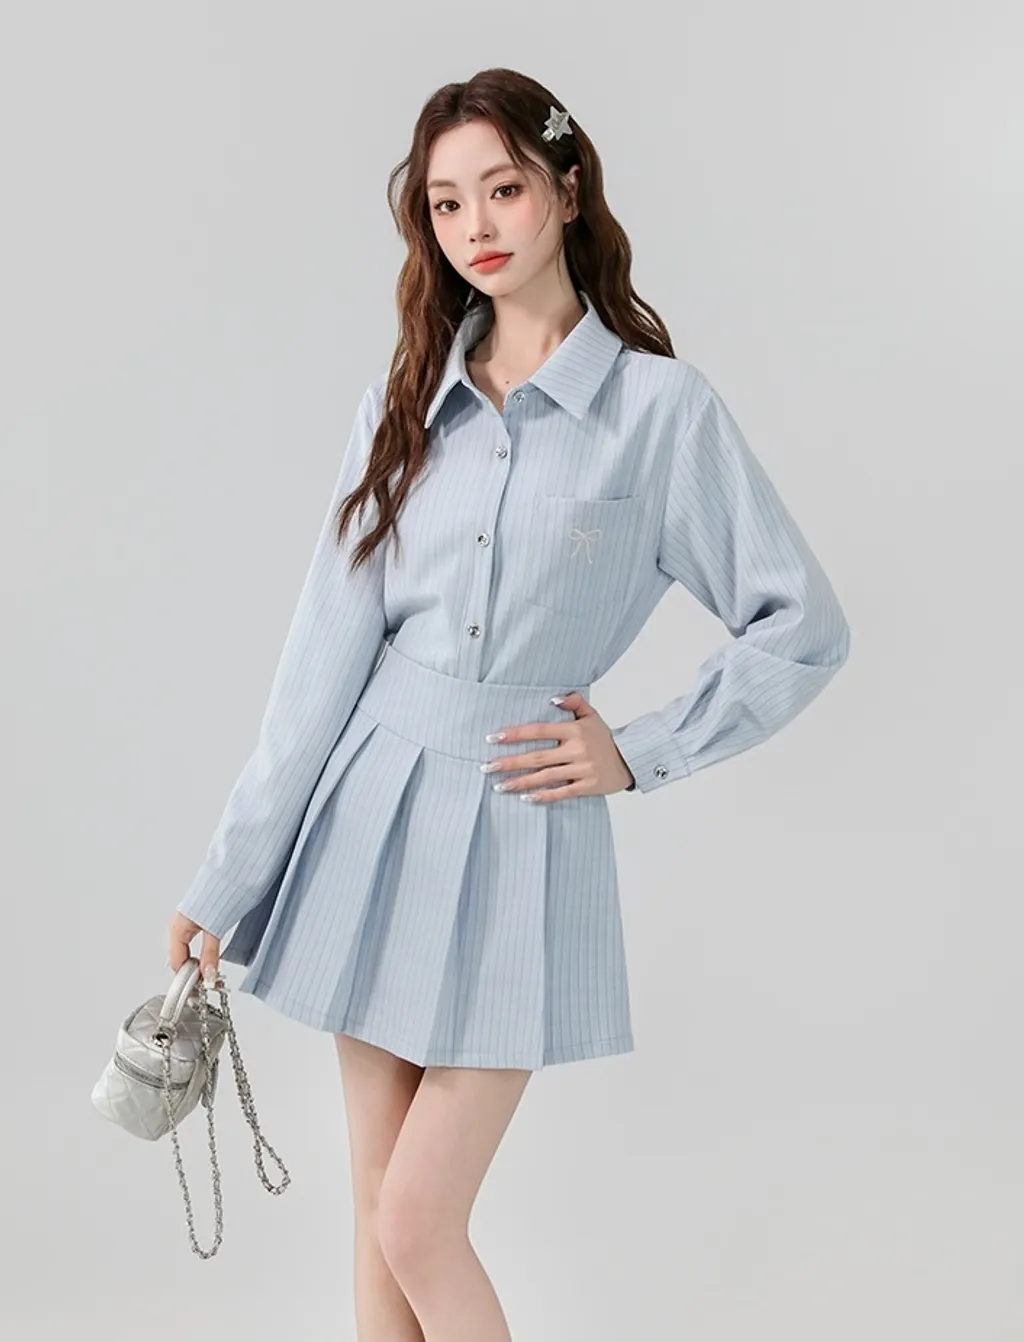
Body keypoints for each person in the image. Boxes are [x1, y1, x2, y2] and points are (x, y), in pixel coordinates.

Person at [167, 67, 850, 1342]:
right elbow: (322, 658)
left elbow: (800, 624)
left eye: (503, 189)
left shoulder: (659, 412)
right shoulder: (403, 402)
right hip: (370, 814)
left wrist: (636, 751)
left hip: (521, 820)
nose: (475, 225)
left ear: (566, 190)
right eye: (445, 203)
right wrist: (228, 873)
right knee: (377, 1220)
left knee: (418, 1220)